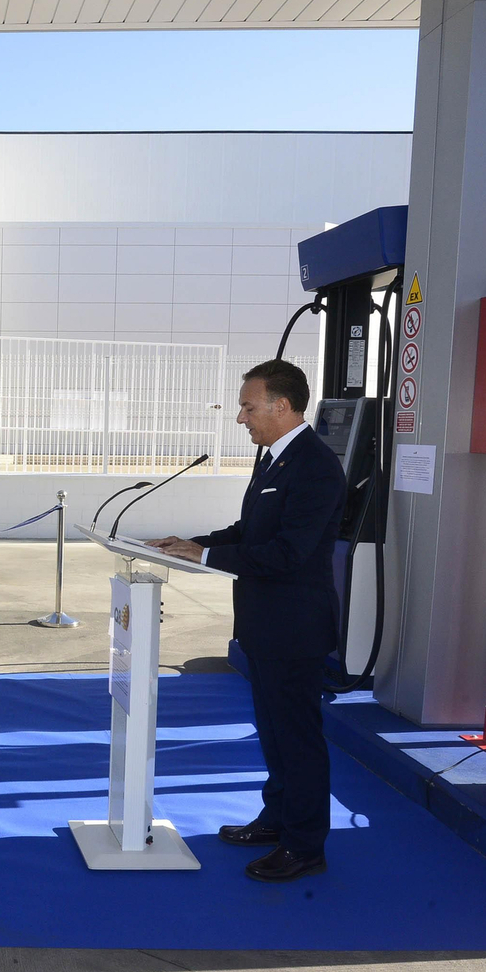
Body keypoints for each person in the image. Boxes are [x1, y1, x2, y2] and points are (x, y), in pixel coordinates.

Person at [147, 359, 345, 883]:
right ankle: (277, 819)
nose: (241, 418)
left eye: (248, 406)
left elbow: (287, 554)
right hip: (263, 626)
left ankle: (305, 845)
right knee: (274, 734)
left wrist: (207, 559)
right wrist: (193, 544)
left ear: (282, 407)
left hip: (295, 629)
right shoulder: (273, 459)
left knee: (297, 738)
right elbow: (250, 530)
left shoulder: (317, 467)